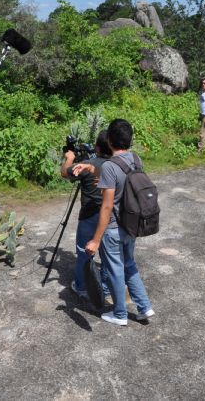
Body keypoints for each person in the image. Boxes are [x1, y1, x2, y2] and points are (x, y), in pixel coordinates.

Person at [80, 119, 154, 326]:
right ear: (129, 139)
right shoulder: (136, 159)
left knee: (115, 270)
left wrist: (95, 240)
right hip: (131, 224)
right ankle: (144, 307)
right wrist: (94, 171)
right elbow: (123, 182)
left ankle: (120, 314)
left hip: (113, 229)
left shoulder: (110, 166)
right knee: (129, 265)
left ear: (110, 140)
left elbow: (106, 207)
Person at [60, 131, 112, 301]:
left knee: (84, 252)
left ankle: (81, 287)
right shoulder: (116, 164)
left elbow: (65, 173)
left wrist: (70, 158)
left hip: (89, 215)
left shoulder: (88, 165)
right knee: (107, 253)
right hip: (110, 215)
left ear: (98, 147)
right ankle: (105, 287)